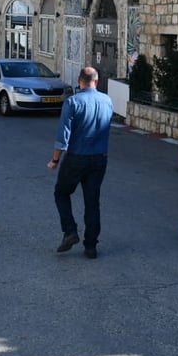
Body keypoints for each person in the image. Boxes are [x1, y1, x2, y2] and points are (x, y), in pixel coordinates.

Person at [48, 66, 114, 259]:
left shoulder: (73, 102)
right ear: (97, 80)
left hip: (77, 157)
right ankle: (91, 246)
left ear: (79, 80)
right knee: (92, 201)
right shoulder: (107, 101)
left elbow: (63, 135)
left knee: (61, 193)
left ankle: (70, 231)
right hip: (99, 157)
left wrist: (55, 160)